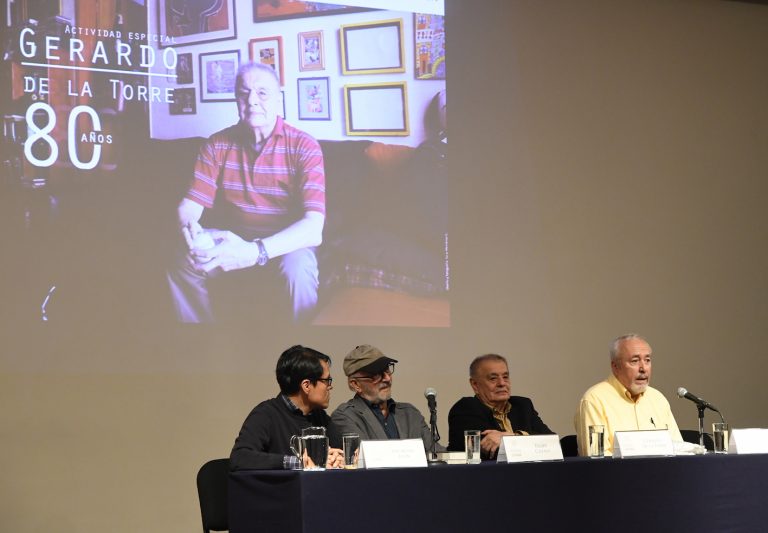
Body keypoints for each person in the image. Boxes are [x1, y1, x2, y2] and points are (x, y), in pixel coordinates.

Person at [167, 61, 325, 322]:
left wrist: (255, 252)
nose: (251, 100)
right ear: (236, 100)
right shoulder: (216, 144)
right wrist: (190, 228)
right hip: (234, 239)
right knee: (183, 261)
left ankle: (305, 354)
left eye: (262, 93)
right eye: (243, 93)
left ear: (278, 100)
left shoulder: (305, 146)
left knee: (298, 269)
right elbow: (190, 205)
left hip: (285, 245)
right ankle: (200, 345)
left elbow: (313, 228)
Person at [230, 345, 343, 470]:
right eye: (327, 380)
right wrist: (299, 462)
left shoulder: (319, 416)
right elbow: (240, 457)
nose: (330, 386)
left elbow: (341, 450)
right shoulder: (266, 414)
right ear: (306, 386)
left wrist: (338, 458)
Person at [574, 334, 683, 456]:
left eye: (647, 360)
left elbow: (678, 448)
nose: (643, 368)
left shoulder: (658, 399)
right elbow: (597, 460)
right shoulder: (594, 400)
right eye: (635, 361)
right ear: (615, 367)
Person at [331, 345, 439, 451]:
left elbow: (437, 453)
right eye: (376, 375)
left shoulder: (410, 414)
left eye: (387, 370)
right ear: (355, 384)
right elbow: (367, 457)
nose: (387, 378)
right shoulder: (345, 417)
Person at [448, 354, 553, 460]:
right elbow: (490, 452)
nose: (502, 383)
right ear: (475, 384)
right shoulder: (466, 408)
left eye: (505, 377)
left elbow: (552, 442)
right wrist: (527, 440)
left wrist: (512, 437)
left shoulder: (522, 405)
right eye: (493, 378)